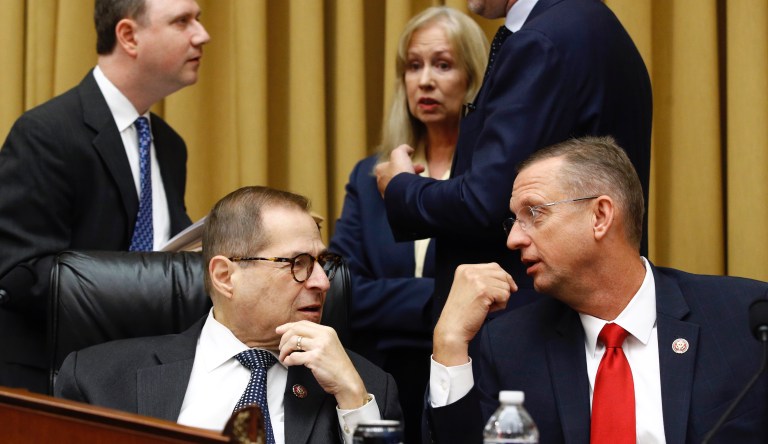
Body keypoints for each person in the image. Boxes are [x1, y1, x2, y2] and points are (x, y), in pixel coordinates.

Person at [425, 136, 768, 443]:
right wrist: (449, 344)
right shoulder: (510, 346)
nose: (513, 239)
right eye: (513, 220)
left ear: (600, 216)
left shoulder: (746, 320)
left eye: (534, 212)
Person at [375, 0, 653, 326]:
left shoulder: (542, 40)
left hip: (536, 324)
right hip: (596, 309)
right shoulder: (591, 23)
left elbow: (488, 202)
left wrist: (401, 187)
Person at [55, 186, 403, 443]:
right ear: (225, 276)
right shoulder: (98, 379)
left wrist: (354, 399)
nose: (323, 282)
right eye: (299, 263)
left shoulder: (365, 387)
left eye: (322, 263)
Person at [0, 0, 209, 392]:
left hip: (140, 378)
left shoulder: (169, 144)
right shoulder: (45, 133)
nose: (202, 34)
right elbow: (19, 273)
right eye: (183, 21)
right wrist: (143, 285)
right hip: (52, 385)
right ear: (129, 36)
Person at [329, 6, 487, 443]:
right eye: (413, 66)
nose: (425, 81)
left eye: (443, 64)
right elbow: (342, 290)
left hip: (466, 373)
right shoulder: (372, 176)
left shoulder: (488, 180)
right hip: (377, 375)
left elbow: (497, 295)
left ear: (472, 76)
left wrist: (390, 300)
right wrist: (444, 298)